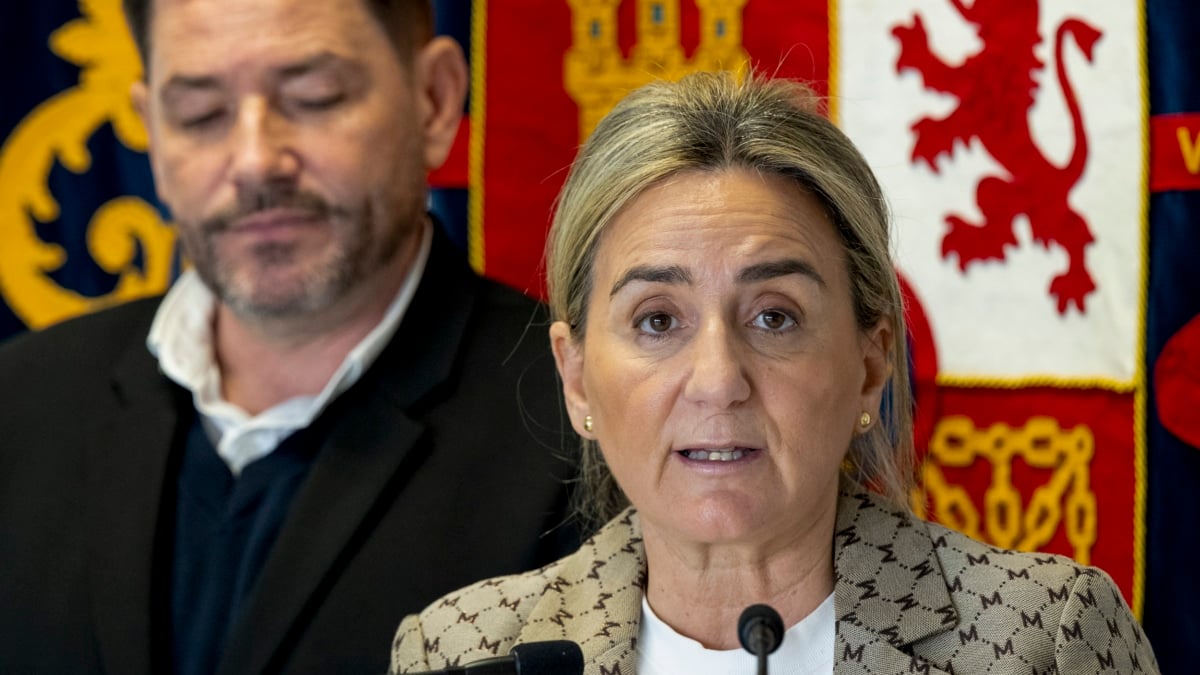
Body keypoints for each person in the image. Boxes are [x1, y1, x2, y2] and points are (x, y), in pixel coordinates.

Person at [389, 72, 1159, 674]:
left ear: (869, 363)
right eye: (658, 320)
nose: (718, 378)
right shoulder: (459, 649)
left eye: (774, 316)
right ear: (578, 376)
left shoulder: (1042, 638)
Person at [0, 1, 576, 674]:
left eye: (313, 97)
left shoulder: (587, 429)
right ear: (152, 131)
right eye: (201, 115)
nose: (254, 160)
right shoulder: (17, 404)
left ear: (434, 101)